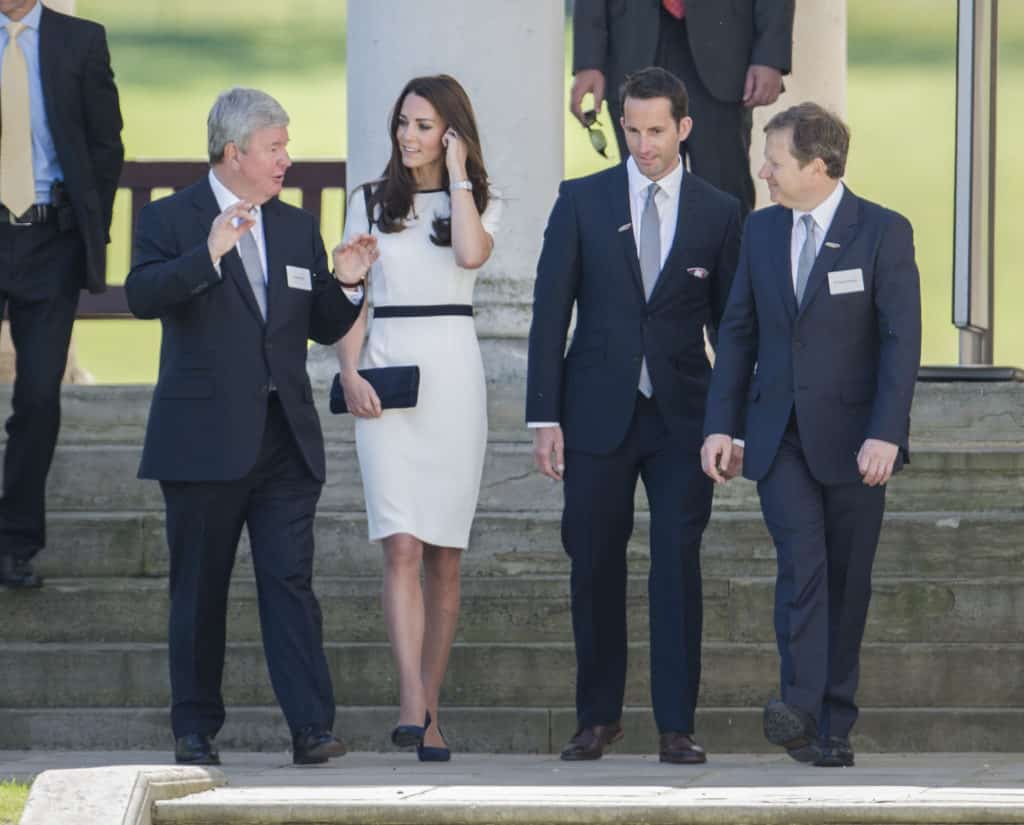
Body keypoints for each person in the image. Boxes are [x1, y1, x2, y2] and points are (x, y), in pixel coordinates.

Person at [125, 88, 375, 767]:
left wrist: (347, 284)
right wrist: (207, 256)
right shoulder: (172, 218)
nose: (285, 160)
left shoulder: (295, 227)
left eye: (286, 146)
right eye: (275, 148)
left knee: (290, 582)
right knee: (199, 587)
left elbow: (320, 323)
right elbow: (140, 295)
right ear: (234, 153)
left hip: (284, 441)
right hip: (201, 441)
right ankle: (195, 729)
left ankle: (311, 728)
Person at [527, 67, 740, 764]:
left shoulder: (719, 210)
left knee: (676, 564)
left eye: (656, 130)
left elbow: (735, 329)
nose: (643, 144)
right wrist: (543, 417)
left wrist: (728, 423)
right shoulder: (581, 200)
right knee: (592, 562)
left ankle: (677, 724)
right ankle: (598, 717)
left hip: (683, 417)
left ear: (684, 127)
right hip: (593, 414)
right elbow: (550, 313)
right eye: (631, 129)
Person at [701, 102, 922, 768]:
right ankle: (798, 700)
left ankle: (832, 723)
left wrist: (886, 432)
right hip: (779, 438)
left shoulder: (882, 231)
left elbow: (899, 342)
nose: (763, 173)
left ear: (818, 166)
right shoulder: (761, 232)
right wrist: (722, 422)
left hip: (858, 443)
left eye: (775, 162)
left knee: (847, 580)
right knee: (803, 562)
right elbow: (738, 333)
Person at [335, 74, 500, 762]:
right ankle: (410, 697)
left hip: (453, 378)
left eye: (425, 125)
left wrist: (458, 175)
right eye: (403, 122)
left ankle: (430, 709)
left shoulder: (485, 203)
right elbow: (351, 293)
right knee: (399, 542)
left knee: (444, 557)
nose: (409, 136)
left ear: (453, 131)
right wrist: (349, 371)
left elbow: (468, 254)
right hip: (385, 371)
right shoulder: (368, 201)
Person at [0, 0, 123, 588]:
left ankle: (14, 546)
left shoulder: (81, 40)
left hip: (49, 242)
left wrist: (86, 233)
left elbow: (106, 145)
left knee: (39, 398)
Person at [571, 0, 793, 218]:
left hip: (726, 46)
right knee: (645, 199)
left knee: (723, 195)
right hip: (630, 41)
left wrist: (770, 55)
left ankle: (728, 256)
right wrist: (588, 60)